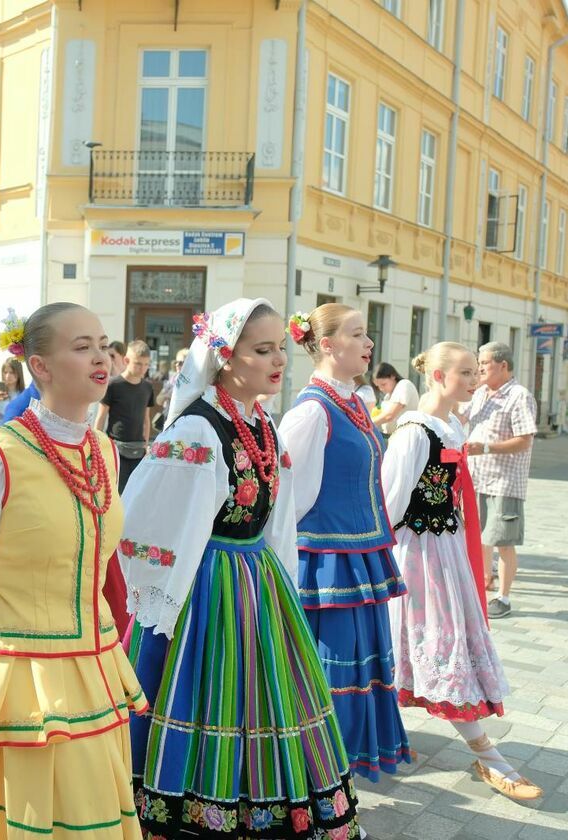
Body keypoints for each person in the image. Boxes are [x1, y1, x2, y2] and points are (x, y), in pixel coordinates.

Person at [121, 300, 360, 838]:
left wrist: (282, 584)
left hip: (258, 581)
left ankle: (261, 805)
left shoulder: (262, 422)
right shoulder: (199, 429)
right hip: (206, 588)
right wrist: (161, 605)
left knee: (265, 698)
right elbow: (150, 519)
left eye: (279, 348)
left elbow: (278, 520)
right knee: (207, 694)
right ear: (226, 358)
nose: (278, 360)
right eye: (261, 349)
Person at [0, 303, 147, 839]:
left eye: (102, 344)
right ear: (39, 366)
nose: (101, 357)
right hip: (19, 680)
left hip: (94, 668)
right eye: (81, 346)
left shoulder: (104, 451)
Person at [382, 343, 541, 801]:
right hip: (417, 554)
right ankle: (486, 753)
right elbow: (390, 503)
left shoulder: (452, 424)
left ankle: (473, 749)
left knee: (430, 644)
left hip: (445, 549)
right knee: (426, 642)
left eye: (476, 371)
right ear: (436, 375)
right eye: (466, 372)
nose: (474, 380)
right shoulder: (413, 431)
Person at [279, 304, 412, 783]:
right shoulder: (312, 412)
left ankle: (341, 770)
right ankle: (320, 771)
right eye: (357, 334)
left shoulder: (353, 402)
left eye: (367, 333)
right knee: (333, 669)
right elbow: (287, 503)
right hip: (327, 565)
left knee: (360, 666)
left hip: (357, 559)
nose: (369, 343)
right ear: (328, 345)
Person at [465, 342, 537, 619]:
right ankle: (484, 583)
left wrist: (485, 447)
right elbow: (462, 418)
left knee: (503, 541)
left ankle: (504, 598)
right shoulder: (481, 393)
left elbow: (524, 440)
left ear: (503, 365)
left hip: (505, 482)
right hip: (477, 478)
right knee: (480, 537)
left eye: (484, 363)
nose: (480, 368)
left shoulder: (519, 396)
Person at [96, 340, 155, 492]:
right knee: (116, 492)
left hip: (138, 450)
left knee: (135, 492)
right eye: (138, 364)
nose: (143, 368)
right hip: (116, 448)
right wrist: (97, 446)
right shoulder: (113, 385)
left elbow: (146, 420)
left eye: (146, 364)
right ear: (126, 360)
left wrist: (146, 445)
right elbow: (101, 417)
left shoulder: (147, 387)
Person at [373, 362, 419, 434]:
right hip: (392, 436)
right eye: (378, 386)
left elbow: (390, 415)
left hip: (405, 437)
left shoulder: (404, 385)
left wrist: (369, 423)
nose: (381, 389)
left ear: (393, 376)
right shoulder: (388, 395)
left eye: (383, 384)